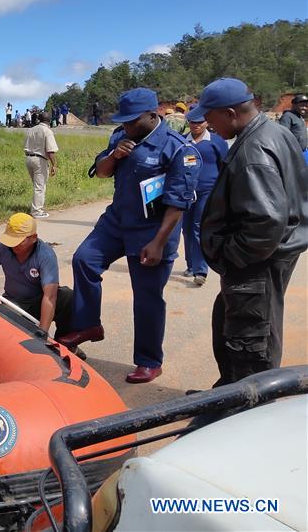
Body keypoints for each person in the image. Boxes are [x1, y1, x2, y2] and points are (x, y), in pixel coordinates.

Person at [58, 88, 201, 384]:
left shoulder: (177, 148)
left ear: (153, 115)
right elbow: (100, 173)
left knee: (147, 297)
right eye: (122, 121)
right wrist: (114, 154)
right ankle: (88, 325)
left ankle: (149, 361)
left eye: (132, 121)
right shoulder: (120, 137)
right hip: (116, 222)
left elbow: (178, 203)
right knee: (84, 260)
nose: (127, 126)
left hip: (153, 231)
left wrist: (159, 242)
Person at [189, 78, 307, 387]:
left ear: (229, 113)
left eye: (209, 116)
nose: (207, 123)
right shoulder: (276, 132)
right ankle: (228, 391)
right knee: (230, 320)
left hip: (257, 263)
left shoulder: (253, 152)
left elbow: (265, 222)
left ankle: (249, 408)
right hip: (268, 256)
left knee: (251, 341)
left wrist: (230, 256)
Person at [0, 213, 75, 341]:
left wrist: (42, 333)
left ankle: (65, 343)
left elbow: (50, 297)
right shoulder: (4, 247)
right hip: (13, 302)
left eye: (19, 241)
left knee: (68, 296)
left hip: (38, 302)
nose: (13, 245)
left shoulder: (45, 255)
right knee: (7, 333)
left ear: (33, 238)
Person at [181, 108, 228, 286]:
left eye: (199, 122)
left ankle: (201, 270)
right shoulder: (182, 141)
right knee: (186, 229)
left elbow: (224, 166)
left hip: (207, 192)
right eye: (192, 122)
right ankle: (191, 265)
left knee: (197, 227)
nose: (196, 126)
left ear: (207, 122)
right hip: (185, 192)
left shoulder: (216, 142)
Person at [24, 111, 58, 219]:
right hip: (40, 160)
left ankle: (37, 207)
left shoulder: (31, 130)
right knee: (40, 186)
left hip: (29, 158)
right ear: (49, 120)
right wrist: (54, 165)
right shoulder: (47, 131)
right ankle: (36, 211)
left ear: (39, 119)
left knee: (36, 185)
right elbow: (50, 151)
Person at [278, 93, 307, 163]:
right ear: (294, 105)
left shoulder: (299, 116)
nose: (305, 108)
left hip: (304, 151)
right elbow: (282, 136)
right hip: (294, 154)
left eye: (306, 106)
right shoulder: (287, 116)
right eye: (302, 105)